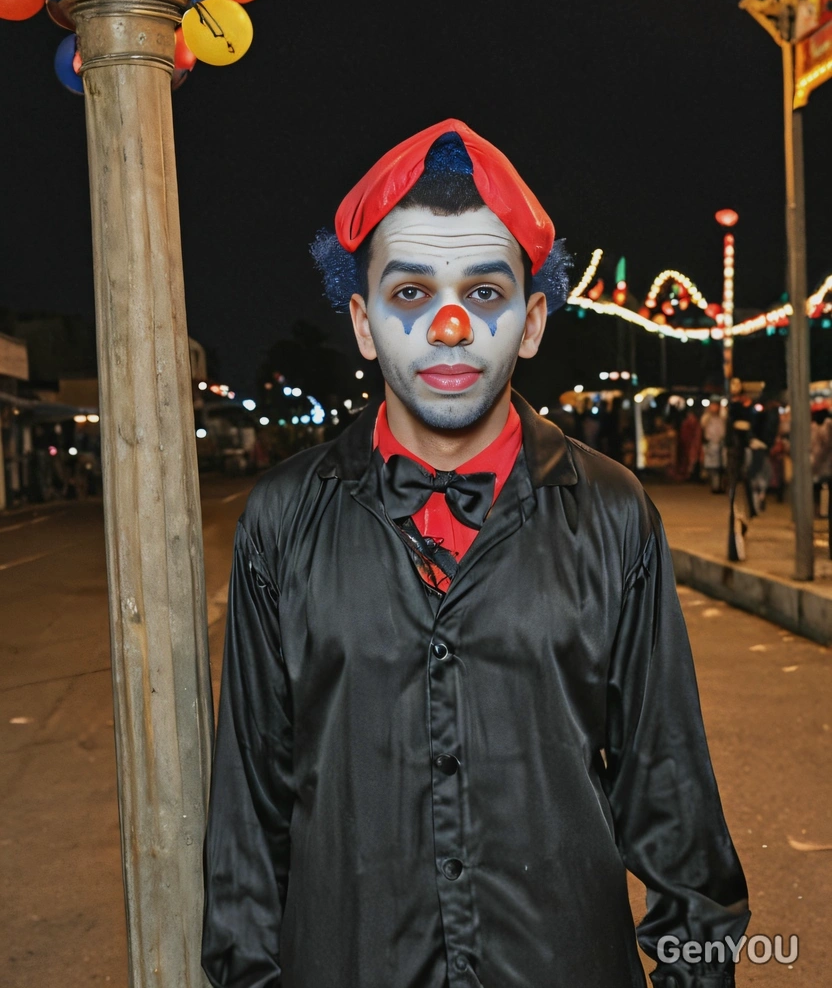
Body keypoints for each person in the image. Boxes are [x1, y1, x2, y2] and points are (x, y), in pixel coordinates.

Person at [202, 120, 749, 988]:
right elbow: (250, 813)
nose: (450, 328)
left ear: (531, 322)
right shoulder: (278, 519)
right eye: (411, 294)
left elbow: (671, 795)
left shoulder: (614, 514)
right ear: (363, 322)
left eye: (485, 293)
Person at [701, 402, 726, 494]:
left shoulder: (722, 419)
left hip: (720, 445)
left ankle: (721, 486)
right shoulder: (707, 419)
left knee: (721, 468)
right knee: (713, 468)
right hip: (711, 445)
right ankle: (715, 486)